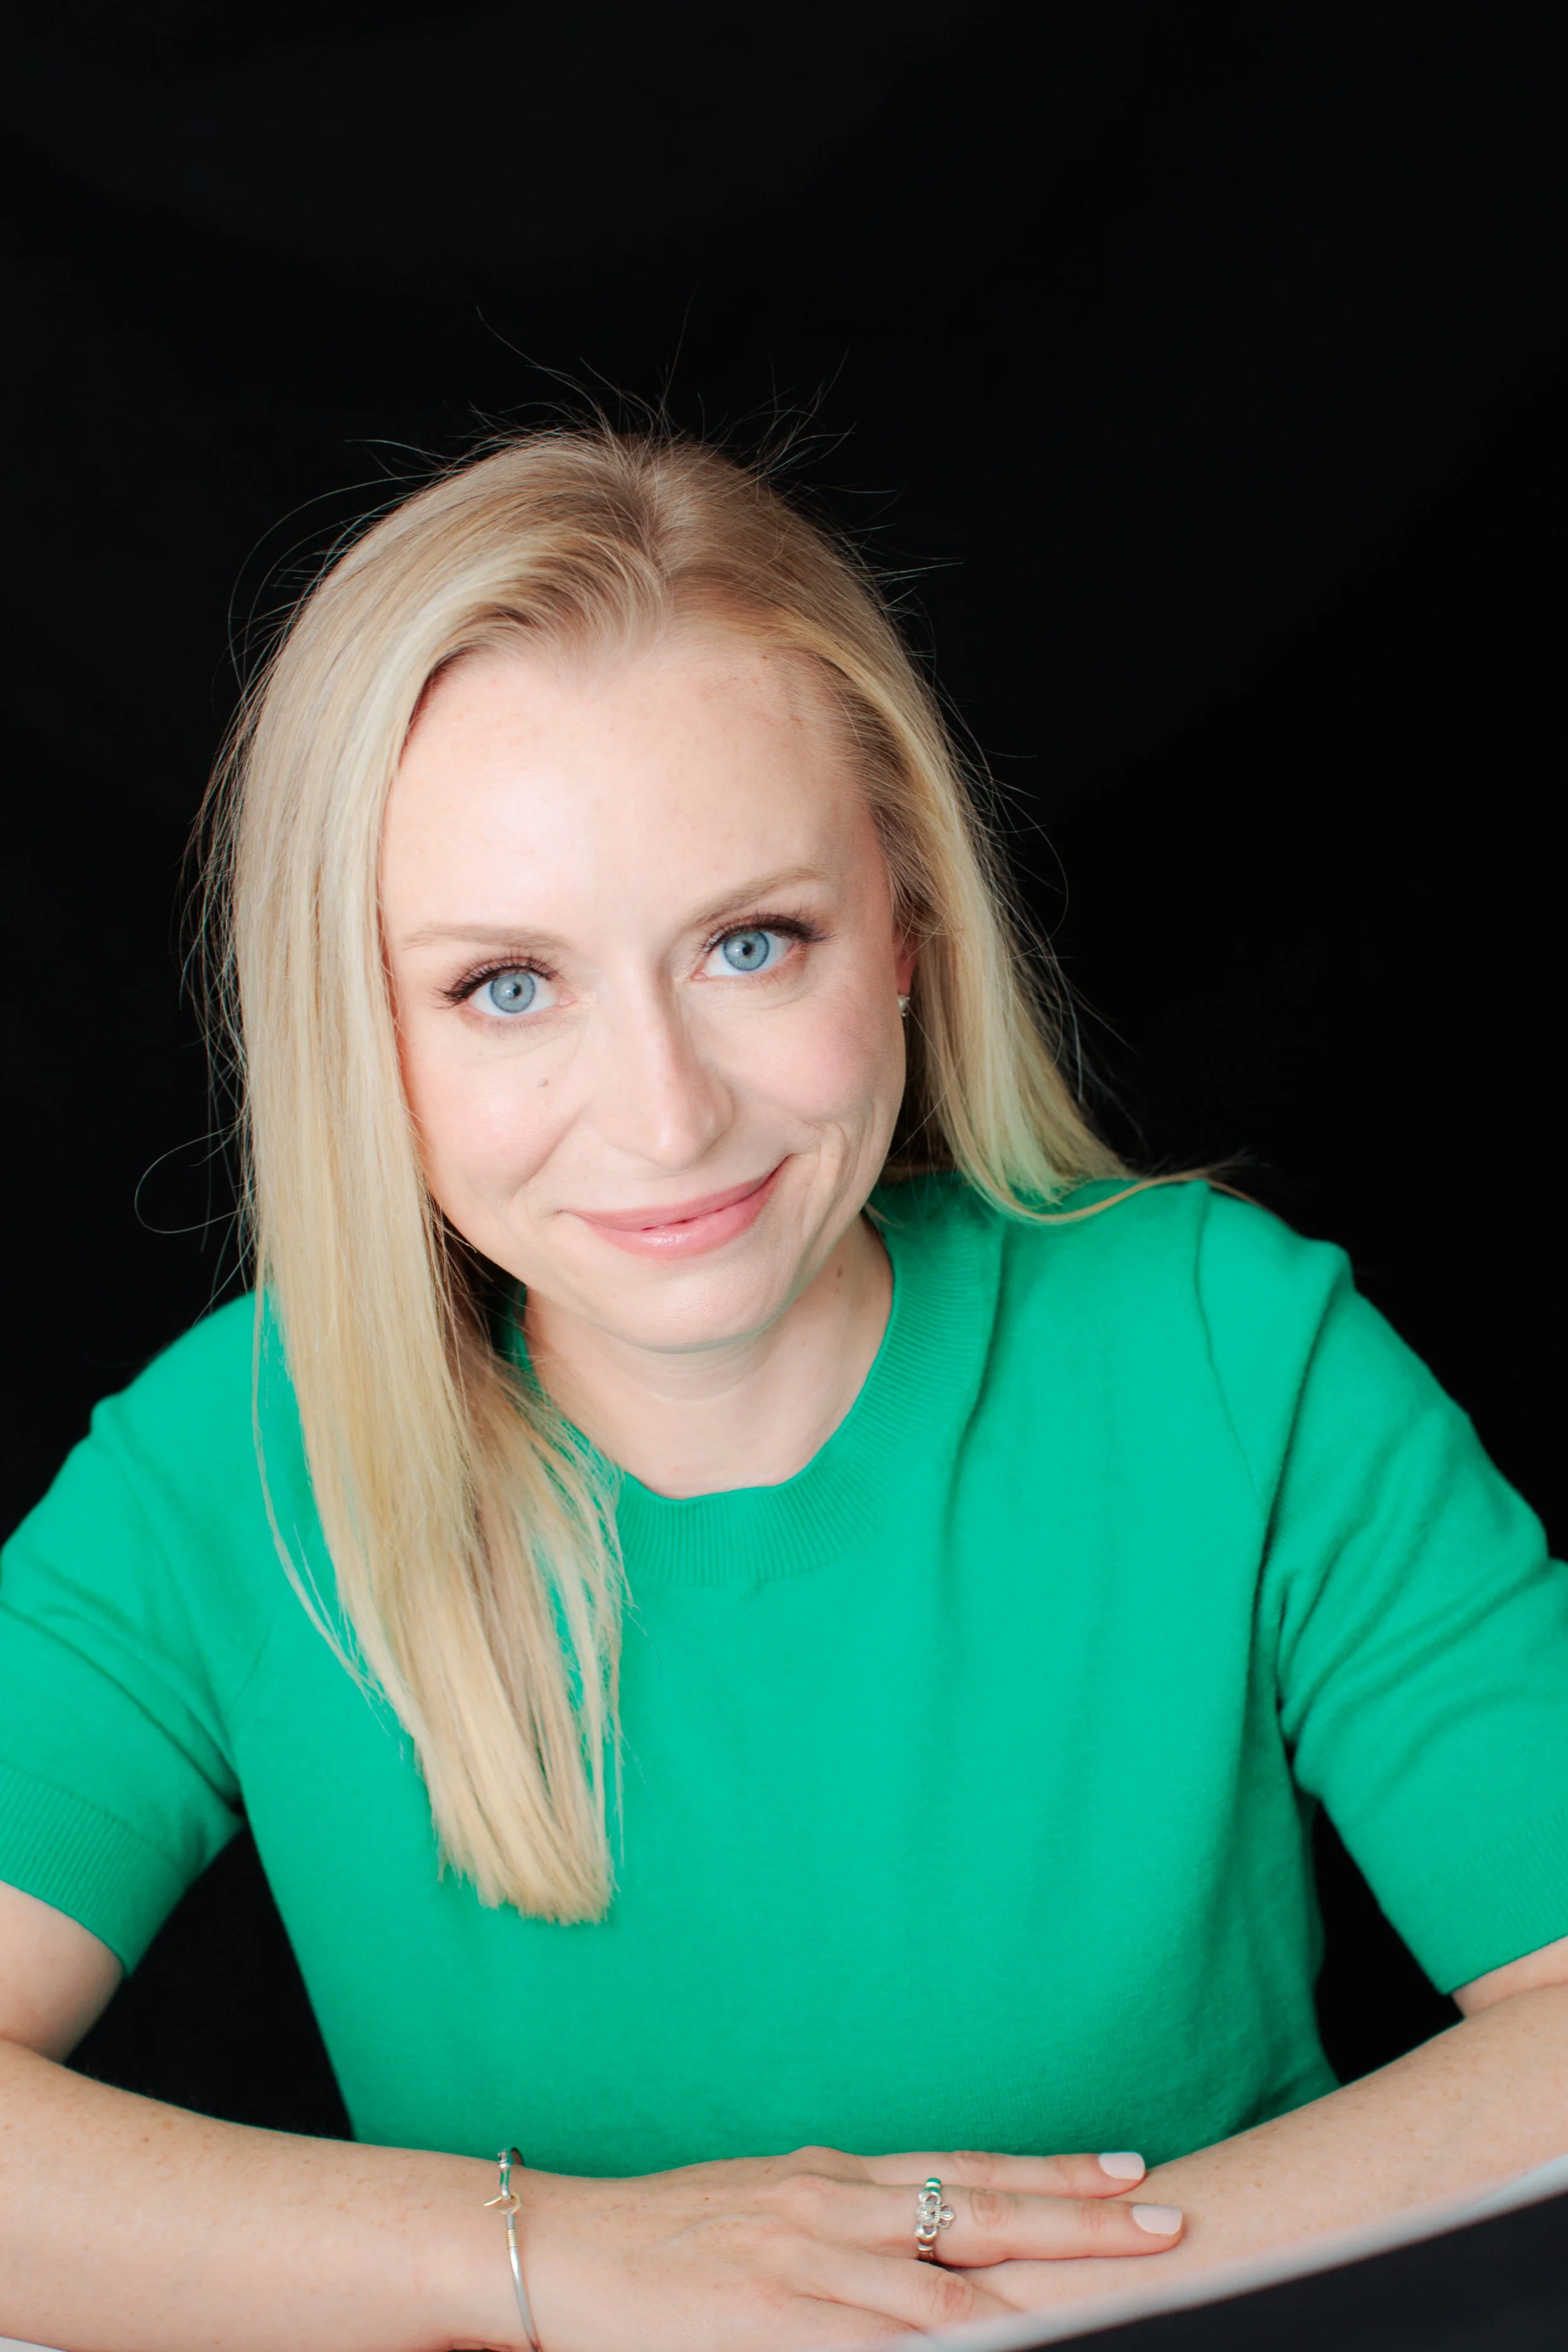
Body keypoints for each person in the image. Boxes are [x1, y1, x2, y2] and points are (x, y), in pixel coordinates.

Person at [1, 429, 1565, 2352]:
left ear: (904, 927)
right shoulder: (225, 1466)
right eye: (507, 984)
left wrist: (960, 2307)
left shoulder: (1225, 1348)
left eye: (750, 943)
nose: (664, 1115)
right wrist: (556, 2261)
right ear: (359, 1033)